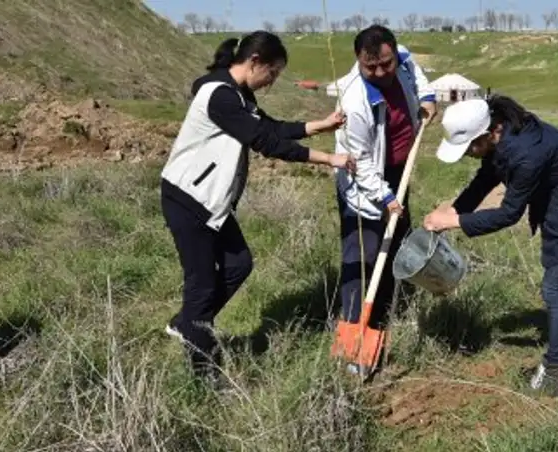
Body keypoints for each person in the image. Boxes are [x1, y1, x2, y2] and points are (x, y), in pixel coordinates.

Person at [159, 31, 354, 387]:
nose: (272, 81)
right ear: (254, 62)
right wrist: (329, 158)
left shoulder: (238, 94)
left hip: (209, 202)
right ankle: (203, 375)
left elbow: (271, 127)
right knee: (201, 285)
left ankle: (186, 323)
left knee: (238, 265)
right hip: (188, 199)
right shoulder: (219, 96)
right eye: (273, 72)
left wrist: (321, 126)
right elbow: (265, 142)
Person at [423, 96, 558, 396]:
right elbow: (485, 177)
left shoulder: (525, 152)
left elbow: (508, 213)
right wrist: (455, 210)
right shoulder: (503, 134)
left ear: (487, 134)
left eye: (469, 148)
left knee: (555, 287)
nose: (469, 155)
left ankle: (557, 369)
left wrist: (454, 222)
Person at [332, 25, 435, 374]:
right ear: (358, 61)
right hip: (365, 182)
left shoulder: (401, 57)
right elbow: (357, 161)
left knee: (395, 247)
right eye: (370, 67)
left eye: (385, 65)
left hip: (397, 170)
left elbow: (414, 70)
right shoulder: (354, 102)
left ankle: (383, 318)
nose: (380, 73)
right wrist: (386, 197)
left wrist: (427, 97)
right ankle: (354, 334)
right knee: (362, 254)